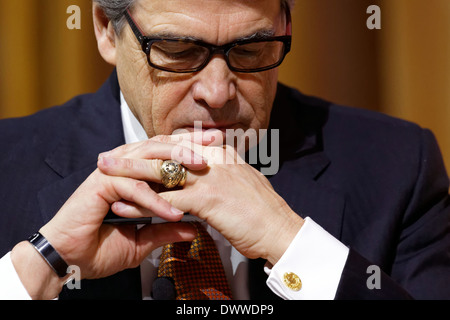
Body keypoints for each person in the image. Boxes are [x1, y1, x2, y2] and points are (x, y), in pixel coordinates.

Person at [0, 0, 449, 300]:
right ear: (105, 31)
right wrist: (42, 265)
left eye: (251, 49)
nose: (217, 93)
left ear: (287, 28)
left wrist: (291, 243)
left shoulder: (399, 165)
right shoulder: (7, 165)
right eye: (177, 49)